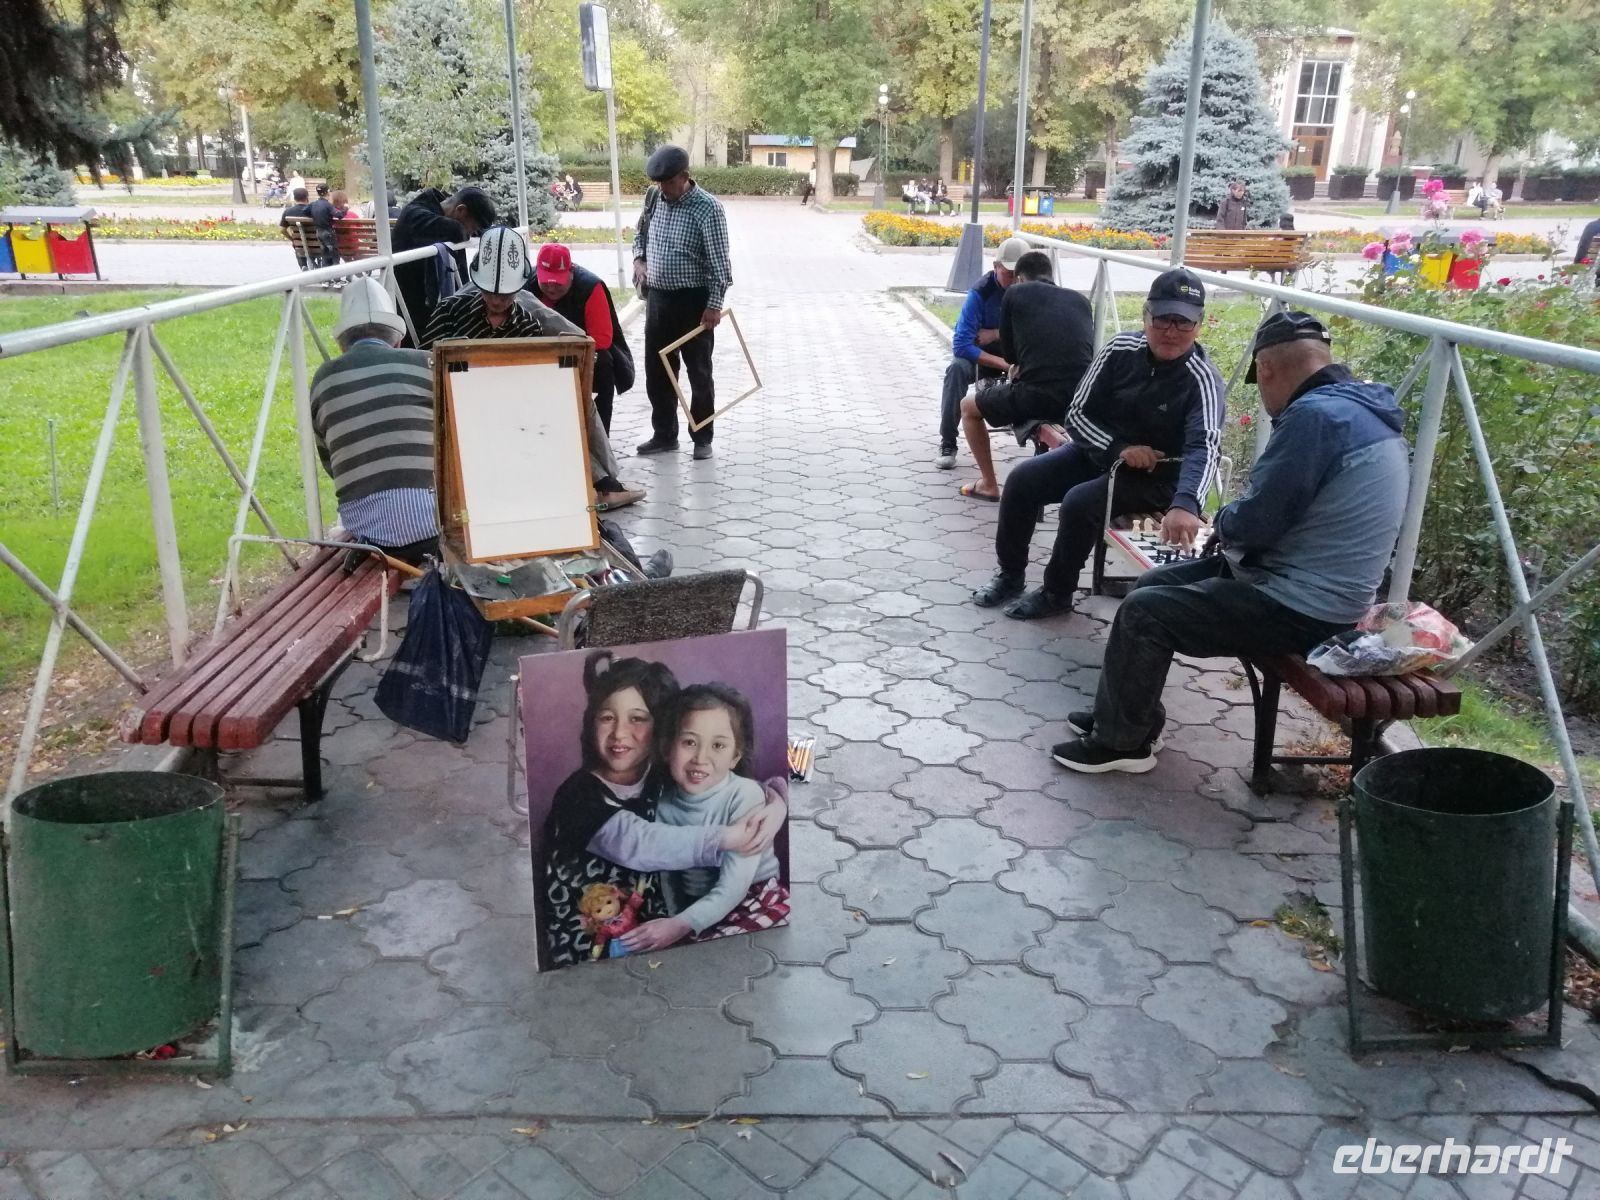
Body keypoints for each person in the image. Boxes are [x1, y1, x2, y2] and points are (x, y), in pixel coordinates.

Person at [1051, 311, 1410, 773]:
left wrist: (1223, 520)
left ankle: (1122, 745)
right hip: (1296, 580)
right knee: (1151, 586)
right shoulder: (1358, 408)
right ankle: (1129, 719)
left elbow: (1259, 522)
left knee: (1145, 615)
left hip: (1302, 606)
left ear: (1266, 369)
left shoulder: (1316, 419)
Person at [972, 267, 1224, 620]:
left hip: (1156, 478)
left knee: (1080, 503)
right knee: (1022, 481)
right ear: (1145, 316)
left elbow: (1206, 445)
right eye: (1163, 319)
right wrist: (1118, 448)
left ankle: (1057, 592)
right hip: (1099, 452)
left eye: (1184, 323)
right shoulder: (1120, 349)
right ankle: (1010, 575)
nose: (1171, 331)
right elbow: (1076, 412)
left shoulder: (1202, 378)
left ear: (1198, 326)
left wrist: (1186, 504)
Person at [543, 654, 788, 966]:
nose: (619, 733)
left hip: (669, 922)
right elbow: (640, 843)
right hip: (585, 932)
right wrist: (726, 837)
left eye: (637, 718)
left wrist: (778, 803)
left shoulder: (662, 778)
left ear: (661, 730)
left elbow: (726, 773)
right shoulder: (576, 795)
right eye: (607, 718)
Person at [424, 226, 645, 510]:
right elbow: (425, 365)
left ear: (519, 288)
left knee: (566, 403)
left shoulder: (528, 324)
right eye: (490, 292)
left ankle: (599, 485)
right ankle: (603, 485)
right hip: (459, 408)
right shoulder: (449, 312)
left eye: (505, 294)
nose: (496, 300)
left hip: (512, 409)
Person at [618, 683, 789, 953]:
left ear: (735, 757)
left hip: (752, 898)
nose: (701, 758)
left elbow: (733, 888)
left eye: (718, 745)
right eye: (689, 742)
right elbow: (669, 878)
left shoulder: (744, 796)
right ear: (666, 749)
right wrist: (676, 922)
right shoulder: (662, 803)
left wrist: (679, 925)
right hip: (698, 909)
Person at [308, 279, 438, 566]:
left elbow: (330, 462)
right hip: (434, 523)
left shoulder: (324, 378)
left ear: (343, 345)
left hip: (368, 529)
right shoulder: (427, 364)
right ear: (397, 339)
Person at [956, 251, 1094, 501]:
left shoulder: (1015, 293)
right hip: (1082, 399)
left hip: (1038, 395)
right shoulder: (1080, 301)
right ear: (1050, 275)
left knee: (968, 408)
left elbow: (1011, 357)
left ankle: (988, 484)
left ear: (1019, 278)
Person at [632, 145, 733, 461]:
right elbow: (640, 235)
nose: (663, 189)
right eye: (658, 183)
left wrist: (714, 305)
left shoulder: (708, 208)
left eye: (668, 183)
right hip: (659, 300)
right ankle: (664, 435)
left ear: (685, 177)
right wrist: (639, 260)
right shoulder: (653, 199)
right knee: (658, 370)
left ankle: (702, 437)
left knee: (699, 372)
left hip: (694, 302)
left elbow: (720, 265)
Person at [935, 237, 1026, 470]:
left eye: (1019, 273)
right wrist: (1005, 365)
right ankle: (948, 441)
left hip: (1014, 353)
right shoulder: (980, 292)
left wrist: (995, 333)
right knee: (955, 370)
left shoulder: (1030, 290)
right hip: (979, 356)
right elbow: (962, 344)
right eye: (1008, 273)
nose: (1014, 279)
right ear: (995, 267)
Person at [530, 243, 635, 434]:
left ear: (570, 273)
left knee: (603, 363)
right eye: (546, 282)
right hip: (539, 354)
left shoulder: (590, 287)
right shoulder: (526, 284)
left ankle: (599, 436)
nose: (551, 288)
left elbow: (601, 340)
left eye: (558, 283)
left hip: (583, 354)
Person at [393, 185, 497, 347]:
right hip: (412, 308)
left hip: (432, 303)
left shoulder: (444, 210)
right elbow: (456, 230)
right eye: (472, 228)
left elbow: (472, 230)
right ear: (461, 210)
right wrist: (463, 230)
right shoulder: (415, 216)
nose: (471, 234)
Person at [279, 186, 313, 270]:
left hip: (299, 243)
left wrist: (292, 239)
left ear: (294, 198)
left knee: (299, 246)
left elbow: (282, 230)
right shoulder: (313, 210)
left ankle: (303, 265)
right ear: (307, 198)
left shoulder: (288, 211)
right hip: (316, 243)